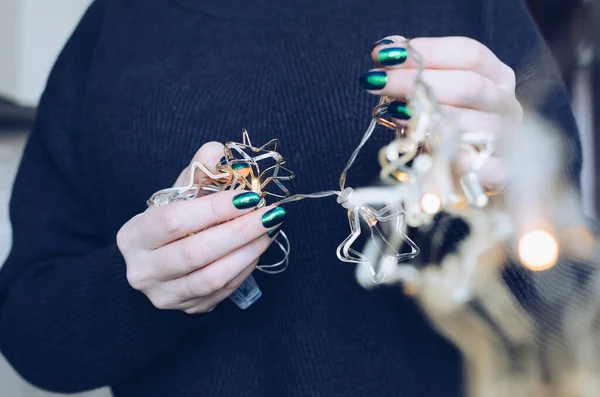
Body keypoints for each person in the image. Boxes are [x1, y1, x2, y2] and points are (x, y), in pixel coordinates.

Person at [0, 0, 582, 396]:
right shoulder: (118, 24)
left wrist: (514, 191)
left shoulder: (474, 7)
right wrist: (136, 289)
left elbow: (568, 305)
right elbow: (29, 330)